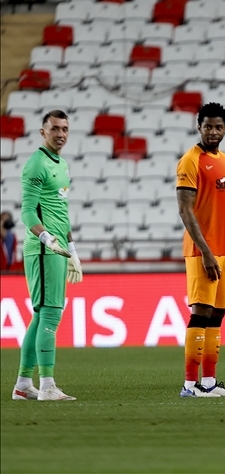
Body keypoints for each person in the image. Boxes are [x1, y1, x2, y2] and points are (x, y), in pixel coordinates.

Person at [175, 102, 225, 398]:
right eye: (208, 127)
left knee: (217, 315)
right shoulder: (190, 161)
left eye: (218, 127)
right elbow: (185, 210)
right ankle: (190, 385)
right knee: (201, 313)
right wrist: (205, 251)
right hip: (201, 250)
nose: (213, 132)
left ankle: (209, 383)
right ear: (198, 126)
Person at [11, 110, 83, 402]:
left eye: (65, 129)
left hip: (57, 248)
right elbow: (28, 211)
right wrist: (46, 238)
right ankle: (48, 385)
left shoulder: (62, 165)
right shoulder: (35, 165)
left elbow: (61, 214)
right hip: (42, 248)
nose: (61, 134)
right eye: (54, 129)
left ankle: (24, 384)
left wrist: (73, 251)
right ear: (43, 132)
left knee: (41, 315)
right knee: (51, 312)